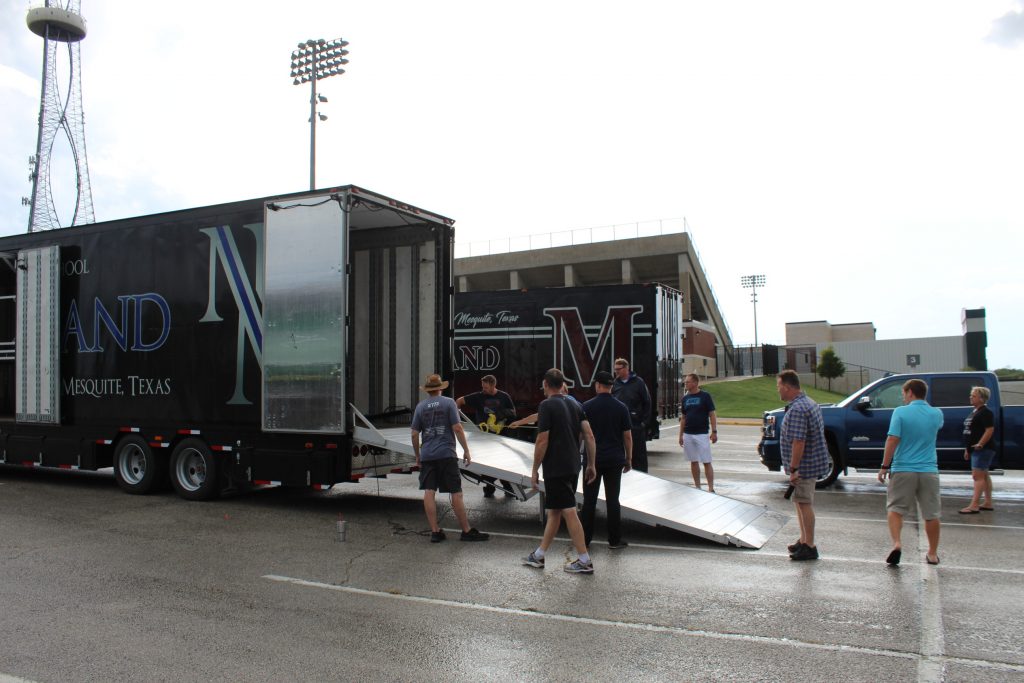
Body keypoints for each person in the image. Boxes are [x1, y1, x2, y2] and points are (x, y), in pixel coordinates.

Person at [522, 368, 597, 573]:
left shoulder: (546, 405)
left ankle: (584, 560)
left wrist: (535, 468)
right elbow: (589, 435)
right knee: (554, 511)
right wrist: (591, 464)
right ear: (562, 383)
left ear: (546, 384)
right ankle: (539, 555)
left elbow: (542, 439)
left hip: (556, 467)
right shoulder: (574, 403)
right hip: (573, 465)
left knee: (569, 511)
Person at [411, 373, 489, 543]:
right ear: (440, 388)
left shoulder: (420, 407)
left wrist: (418, 455)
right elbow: (458, 428)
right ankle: (466, 531)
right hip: (446, 454)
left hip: (428, 455)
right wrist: (466, 451)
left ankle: (435, 531)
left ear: (427, 390)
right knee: (456, 493)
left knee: (429, 492)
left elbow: (414, 434)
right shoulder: (448, 403)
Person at [877, 378, 943, 566]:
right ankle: (932, 553)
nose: (903, 397)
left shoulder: (900, 412)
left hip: (903, 468)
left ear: (911, 392)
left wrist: (884, 466)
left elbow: (892, 439)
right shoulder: (937, 414)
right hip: (929, 469)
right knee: (931, 513)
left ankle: (897, 543)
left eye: (904, 394)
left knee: (895, 509)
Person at [776, 369, 829, 561]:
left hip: (804, 466)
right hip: (811, 462)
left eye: (779, 386)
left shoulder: (798, 409)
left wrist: (794, 469)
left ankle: (810, 546)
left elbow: (799, 441)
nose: (778, 390)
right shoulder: (809, 403)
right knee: (799, 501)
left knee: (805, 503)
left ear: (788, 387)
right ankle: (803, 539)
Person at [581, 370, 633, 550]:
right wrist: (629, 458)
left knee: (589, 501)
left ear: (597, 385)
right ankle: (614, 540)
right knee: (613, 500)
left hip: (592, 461)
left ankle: (585, 540)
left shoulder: (586, 406)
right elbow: (627, 436)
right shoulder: (621, 407)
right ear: (611, 386)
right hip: (614, 460)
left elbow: (581, 435)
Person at [456, 375, 517, 497]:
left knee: (502, 462)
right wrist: (457, 418)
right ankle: (494, 486)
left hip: (502, 437)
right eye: (482, 386)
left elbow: (513, 413)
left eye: (486, 387)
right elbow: (459, 401)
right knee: (490, 463)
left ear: (494, 385)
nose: (483, 389)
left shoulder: (504, 397)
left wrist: (501, 414)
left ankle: (498, 486)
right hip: (484, 438)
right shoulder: (478, 396)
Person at [959, 386, 997, 514]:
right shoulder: (975, 411)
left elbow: (989, 429)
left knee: (977, 476)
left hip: (983, 449)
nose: (971, 397)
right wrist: (967, 449)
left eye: (973, 396)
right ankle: (987, 502)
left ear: (982, 398)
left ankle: (974, 505)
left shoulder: (986, 412)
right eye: (971, 395)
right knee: (984, 475)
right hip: (974, 448)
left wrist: (980, 444)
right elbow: (971, 432)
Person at [678, 373, 718, 492]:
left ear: (695, 383)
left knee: (706, 461)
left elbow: (712, 414)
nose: (685, 384)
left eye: (688, 382)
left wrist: (714, 431)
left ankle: (711, 488)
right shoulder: (685, 398)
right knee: (693, 461)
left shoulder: (705, 396)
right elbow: (683, 418)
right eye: (685, 382)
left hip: (702, 434)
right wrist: (680, 435)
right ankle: (698, 487)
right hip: (688, 434)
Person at [611, 358, 652, 472]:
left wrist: (644, 423)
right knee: (620, 453)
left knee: (639, 455)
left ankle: (642, 476)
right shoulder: (615, 384)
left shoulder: (638, 382)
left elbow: (647, 402)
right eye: (615, 370)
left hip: (635, 425)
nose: (616, 372)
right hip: (619, 426)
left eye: (619, 369)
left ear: (626, 368)